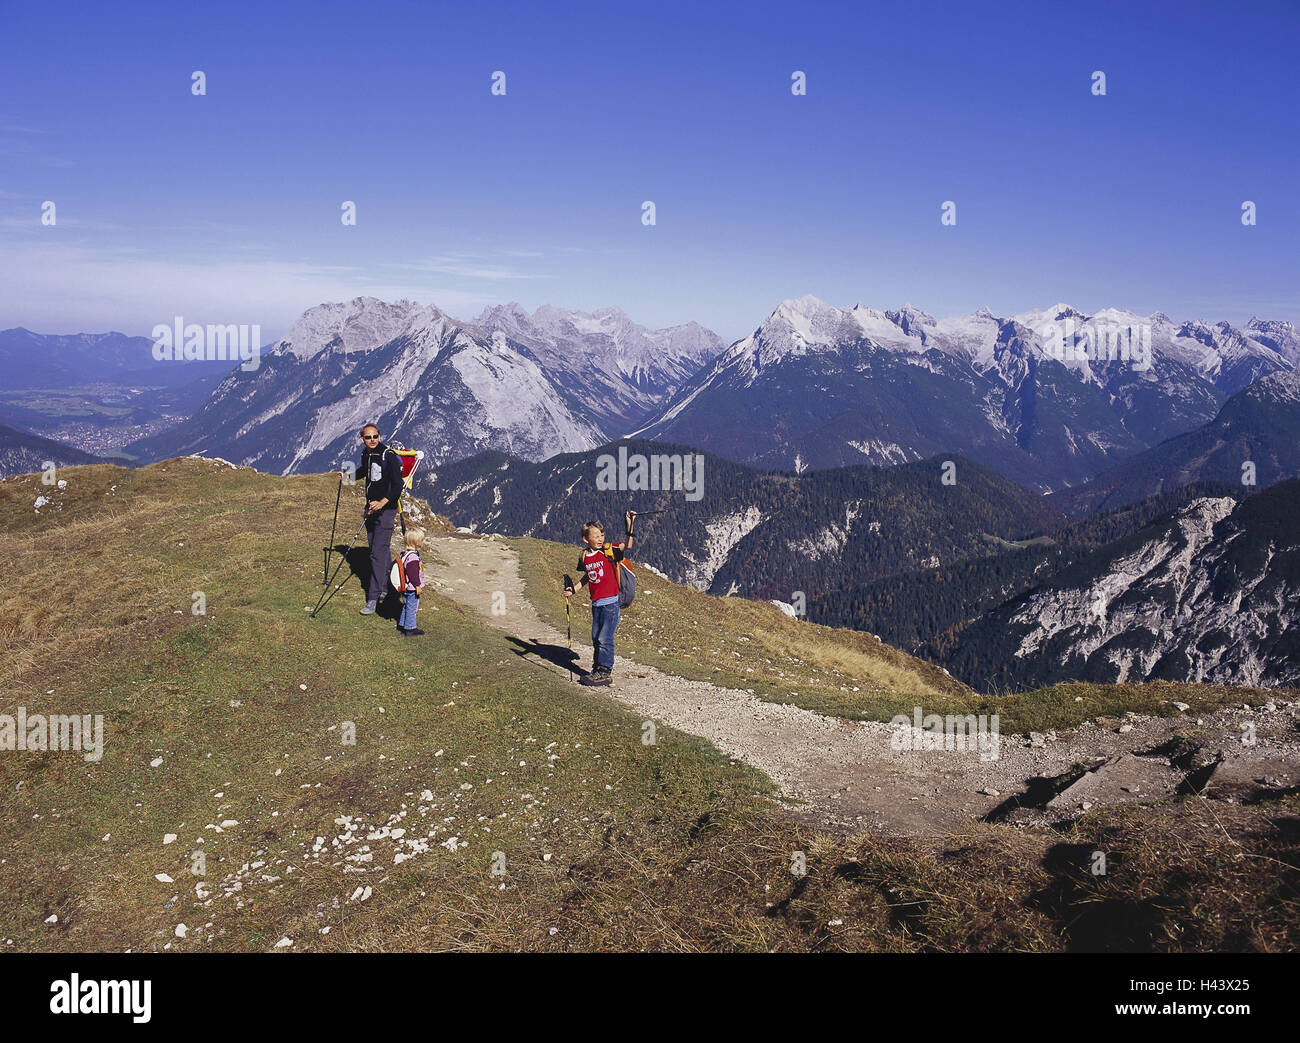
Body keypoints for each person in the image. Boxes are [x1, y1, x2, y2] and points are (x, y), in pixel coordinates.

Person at [564, 511, 635, 686]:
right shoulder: (584, 557)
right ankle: (597, 668)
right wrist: (573, 590)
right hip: (597, 604)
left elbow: (628, 545)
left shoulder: (608, 551)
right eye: (596, 536)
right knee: (596, 637)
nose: (600, 538)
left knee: (605, 638)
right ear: (585, 539)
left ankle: (604, 671)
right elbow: (588, 577)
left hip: (611, 603)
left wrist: (630, 523)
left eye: (602, 535)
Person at [341, 424, 405, 615]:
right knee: (379, 550)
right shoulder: (366, 455)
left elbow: (398, 486)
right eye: (368, 437)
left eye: (375, 436)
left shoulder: (389, 456)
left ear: (379, 436)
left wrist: (382, 502)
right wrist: (347, 476)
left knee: (377, 553)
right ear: (362, 439)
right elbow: (364, 472)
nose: (372, 440)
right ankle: (388, 586)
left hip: (385, 510)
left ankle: (373, 598)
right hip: (370, 509)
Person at [396, 527, 426, 636]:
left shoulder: (405, 553)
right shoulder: (413, 557)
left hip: (405, 586)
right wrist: (417, 586)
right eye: (421, 540)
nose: (422, 542)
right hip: (412, 588)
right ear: (416, 542)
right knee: (412, 608)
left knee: (406, 605)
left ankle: (402, 624)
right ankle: (410, 629)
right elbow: (413, 574)